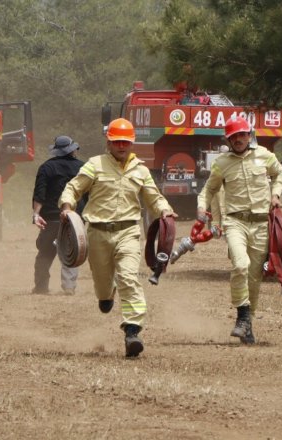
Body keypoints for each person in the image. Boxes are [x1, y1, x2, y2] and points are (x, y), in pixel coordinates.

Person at [59, 118, 175, 357]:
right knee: (103, 288)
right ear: (108, 143)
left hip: (128, 232)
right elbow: (74, 187)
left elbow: (154, 197)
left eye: (126, 142)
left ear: (132, 143)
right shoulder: (94, 165)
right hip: (97, 232)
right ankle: (105, 295)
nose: (121, 146)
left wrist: (165, 210)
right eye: (117, 142)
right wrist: (68, 206)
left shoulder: (141, 170)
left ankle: (132, 331)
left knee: (128, 277)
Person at [197, 116, 282, 345]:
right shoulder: (222, 163)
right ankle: (242, 316)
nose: (238, 139)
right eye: (233, 136)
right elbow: (208, 190)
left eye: (242, 135)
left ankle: (248, 323)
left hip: (261, 224)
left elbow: (280, 174)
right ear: (228, 139)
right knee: (240, 265)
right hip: (235, 223)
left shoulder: (265, 156)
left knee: (254, 277)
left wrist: (276, 193)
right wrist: (201, 209)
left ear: (249, 135)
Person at [31, 136, 86, 295]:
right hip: (75, 219)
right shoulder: (83, 167)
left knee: (45, 253)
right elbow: (89, 194)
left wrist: (36, 214)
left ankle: (41, 286)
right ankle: (69, 286)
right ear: (72, 150)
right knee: (71, 251)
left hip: (51, 218)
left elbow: (39, 194)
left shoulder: (46, 168)